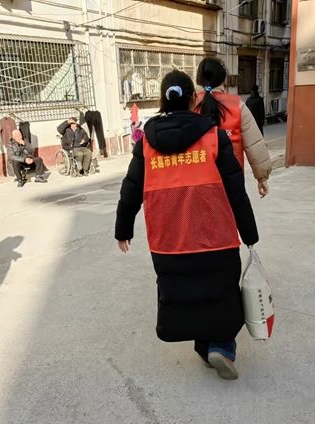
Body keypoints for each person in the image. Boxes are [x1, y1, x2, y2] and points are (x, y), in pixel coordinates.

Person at [115, 70, 259, 380]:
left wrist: (123, 229)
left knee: (186, 291)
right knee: (220, 291)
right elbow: (236, 190)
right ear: (194, 99)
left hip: (168, 241)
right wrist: (249, 233)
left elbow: (131, 189)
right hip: (216, 237)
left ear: (163, 100)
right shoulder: (214, 137)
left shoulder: (146, 143)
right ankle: (221, 346)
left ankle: (203, 347)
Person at [194, 57, 271, 198]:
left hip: (196, 182)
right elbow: (254, 144)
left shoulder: (188, 105)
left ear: (198, 78)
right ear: (223, 79)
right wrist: (262, 177)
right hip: (232, 181)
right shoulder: (238, 106)